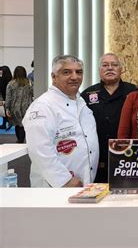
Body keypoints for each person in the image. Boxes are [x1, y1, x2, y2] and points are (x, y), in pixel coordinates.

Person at [23, 55, 99, 187]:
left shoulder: (81, 103)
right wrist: (65, 180)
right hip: (55, 188)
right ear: (54, 77)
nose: (75, 77)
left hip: (83, 185)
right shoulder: (43, 106)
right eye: (66, 72)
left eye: (79, 72)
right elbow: (40, 150)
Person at [81, 53, 136, 183]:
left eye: (114, 65)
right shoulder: (87, 95)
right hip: (97, 161)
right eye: (105, 65)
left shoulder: (134, 92)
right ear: (99, 70)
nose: (110, 68)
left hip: (128, 158)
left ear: (121, 69)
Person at [5, 66, 33, 143]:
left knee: (17, 124)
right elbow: (33, 93)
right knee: (24, 124)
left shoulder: (11, 84)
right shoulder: (29, 82)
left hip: (15, 107)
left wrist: (7, 108)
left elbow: (8, 97)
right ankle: (24, 139)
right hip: (27, 106)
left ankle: (19, 140)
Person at [0, 66, 13, 130]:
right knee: (6, 110)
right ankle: (6, 123)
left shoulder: (2, 79)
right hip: (8, 97)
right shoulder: (11, 80)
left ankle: (7, 122)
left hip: (4, 97)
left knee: (5, 110)